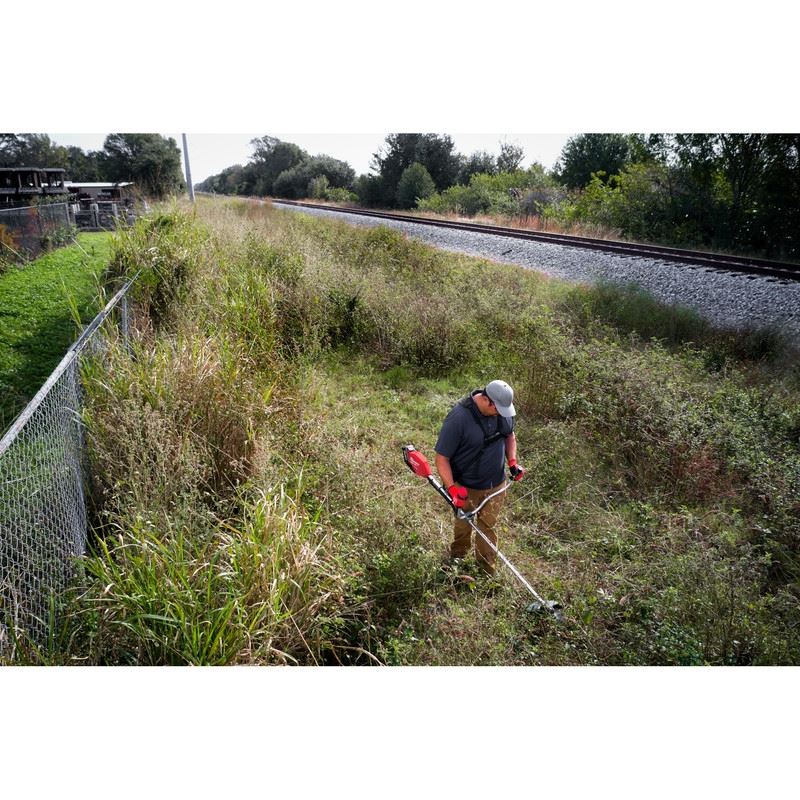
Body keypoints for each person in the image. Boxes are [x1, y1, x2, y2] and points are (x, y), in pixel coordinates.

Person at [434, 380, 525, 575]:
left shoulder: (503, 413)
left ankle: (485, 569)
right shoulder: (458, 418)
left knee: (488, 526)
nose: (501, 413)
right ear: (485, 400)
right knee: (463, 523)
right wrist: (452, 489)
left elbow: (510, 436)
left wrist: (512, 462)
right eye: (498, 409)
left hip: (496, 485)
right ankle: (456, 559)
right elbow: (442, 458)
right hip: (465, 487)